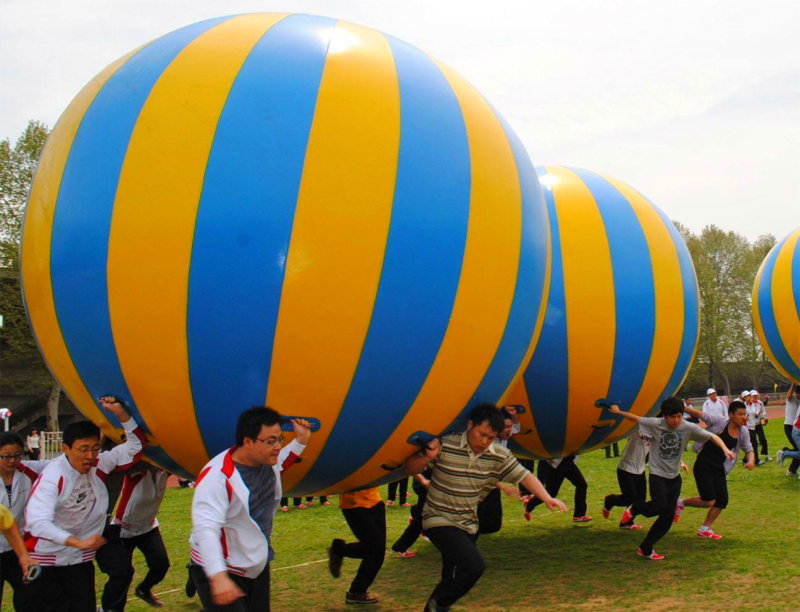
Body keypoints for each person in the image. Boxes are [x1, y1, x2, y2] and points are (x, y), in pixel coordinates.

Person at [404, 404, 566, 611]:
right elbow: (409, 468)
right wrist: (427, 456)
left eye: (490, 437)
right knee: (474, 567)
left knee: (452, 574)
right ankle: (438, 604)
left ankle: (437, 607)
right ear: (470, 425)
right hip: (439, 519)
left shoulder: (498, 454)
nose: (484, 441)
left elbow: (524, 475)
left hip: (468, 523)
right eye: (481, 434)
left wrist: (547, 497)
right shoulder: (447, 444)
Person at [24, 397, 145, 611]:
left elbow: (135, 446)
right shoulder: (54, 477)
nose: (90, 456)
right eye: (83, 449)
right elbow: (37, 522)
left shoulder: (99, 463)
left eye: (95, 448)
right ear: (66, 448)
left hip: (79, 560)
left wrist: (120, 414)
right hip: (47, 560)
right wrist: (76, 542)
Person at [189, 407, 309, 611]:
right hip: (222, 566)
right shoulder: (217, 477)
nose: (278, 447)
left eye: (280, 439)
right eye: (271, 441)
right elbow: (206, 529)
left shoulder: (266, 461)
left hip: (255, 560)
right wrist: (217, 576)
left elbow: (281, 463)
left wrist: (300, 441)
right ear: (247, 441)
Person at [610, 397, 735, 560]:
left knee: (667, 517)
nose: (676, 420)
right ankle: (635, 508)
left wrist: (725, 449)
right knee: (659, 505)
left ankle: (646, 548)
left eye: (679, 416)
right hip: (657, 475)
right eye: (672, 417)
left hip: (674, 477)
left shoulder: (687, 427)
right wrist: (617, 412)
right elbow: (635, 418)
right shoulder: (656, 424)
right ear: (665, 416)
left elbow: (712, 437)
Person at [674, 400, 754, 539]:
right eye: (740, 414)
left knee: (722, 500)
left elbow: (749, 449)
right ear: (731, 415)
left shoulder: (744, 431)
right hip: (704, 464)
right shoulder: (719, 421)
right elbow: (700, 414)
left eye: (745, 414)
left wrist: (751, 461)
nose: (744, 417)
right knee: (709, 500)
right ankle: (680, 503)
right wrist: (680, 407)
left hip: (719, 468)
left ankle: (704, 529)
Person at [109, 463, 170, 607]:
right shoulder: (135, 473)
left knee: (161, 565)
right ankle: (114, 608)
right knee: (123, 575)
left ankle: (143, 590)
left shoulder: (165, 472)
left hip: (148, 528)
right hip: (124, 531)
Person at [0, 431, 49, 610]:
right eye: (6, 456)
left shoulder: (28, 470)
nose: (12, 461)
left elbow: (62, 463)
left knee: (29, 597)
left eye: (17, 455)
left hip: (19, 548)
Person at [328, 487, 385, 605]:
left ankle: (339, 549)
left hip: (375, 501)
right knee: (375, 550)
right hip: (354, 504)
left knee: (377, 552)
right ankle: (356, 592)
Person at [523, 455, 591, 522]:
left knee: (581, 485)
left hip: (567, 461)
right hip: (557, 463)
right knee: (551, 494)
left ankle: (579, 515)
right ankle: (529, 505)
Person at [602, 431, 649, 529]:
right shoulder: (638, 429)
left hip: (640, 469)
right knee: (630, 497)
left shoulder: (658, 433)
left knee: (640, 499)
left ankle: (626, 522)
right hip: (626, 468)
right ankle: (610, 500)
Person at [389, 471, 430, 558]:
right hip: (427, 487)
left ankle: (400, 546)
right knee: (420, 519)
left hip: (428, 486)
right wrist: (423, 481)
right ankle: (400, 546)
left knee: (420, 516)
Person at [782, 383, 800, 477]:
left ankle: (792, 470)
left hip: (796, 427)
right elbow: (789, 395)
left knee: (798, 449)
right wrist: (793, 383)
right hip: (789, 426)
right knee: (798, 449)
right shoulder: (792, 399)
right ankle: (785, 454)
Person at [750, 390, 771, 462]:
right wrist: (756, 414)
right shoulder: (748, 404)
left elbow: (763, 412)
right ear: (751, 396)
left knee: (763, 439)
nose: (755, 397)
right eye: (754, 396)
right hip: (751, 425)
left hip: (758, 424)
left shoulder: (760, 403)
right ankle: (750, 458)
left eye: (756, 395)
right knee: (753, 442)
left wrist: (763, 417)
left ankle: (766, 455)